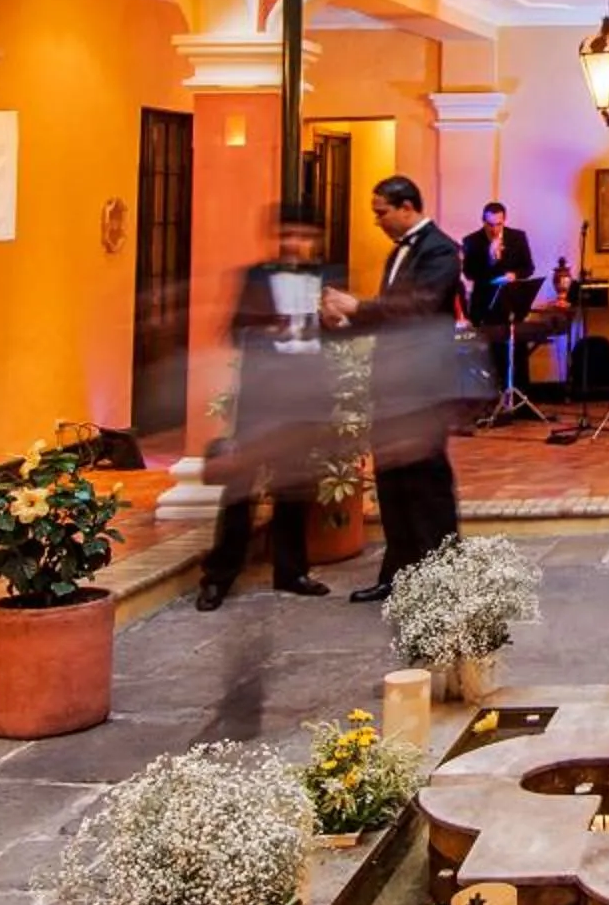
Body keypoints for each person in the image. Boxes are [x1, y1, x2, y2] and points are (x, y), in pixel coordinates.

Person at [322, 176, 464, 603]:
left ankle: (442, 578)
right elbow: (392, 316)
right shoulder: (398, 252)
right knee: (392, 482)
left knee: (426, 482)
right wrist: (345, 321)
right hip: (392, 382)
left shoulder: (441, 250)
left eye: (381, 211)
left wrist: (358, 306)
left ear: (407, 207)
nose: (376, 220)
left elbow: (420, 307)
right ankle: (398, 575)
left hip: (423, 385)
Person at [198, 204, 334, 609]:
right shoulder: (253, 277)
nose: (293, 241)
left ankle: (291, 571)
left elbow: (339, 334)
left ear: (315, 238)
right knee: (240, 488)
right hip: (262, 398)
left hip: (304, 396)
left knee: (294, 486)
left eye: (302, 233)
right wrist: (269, 333)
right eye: (287, 232)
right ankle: (219, 576)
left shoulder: (326, 278)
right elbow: (234, 330)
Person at [460, 202, 535, 328]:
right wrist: (489, 260)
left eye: (498, 224)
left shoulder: (518, 237)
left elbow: (529, 268)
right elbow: (469, 273)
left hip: (511, 304)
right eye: (490, 225)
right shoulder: (471, 241)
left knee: (516, 346)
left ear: (504, 220)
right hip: (483, 305)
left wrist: (514, 275)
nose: (494, 229)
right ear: (483, 221)